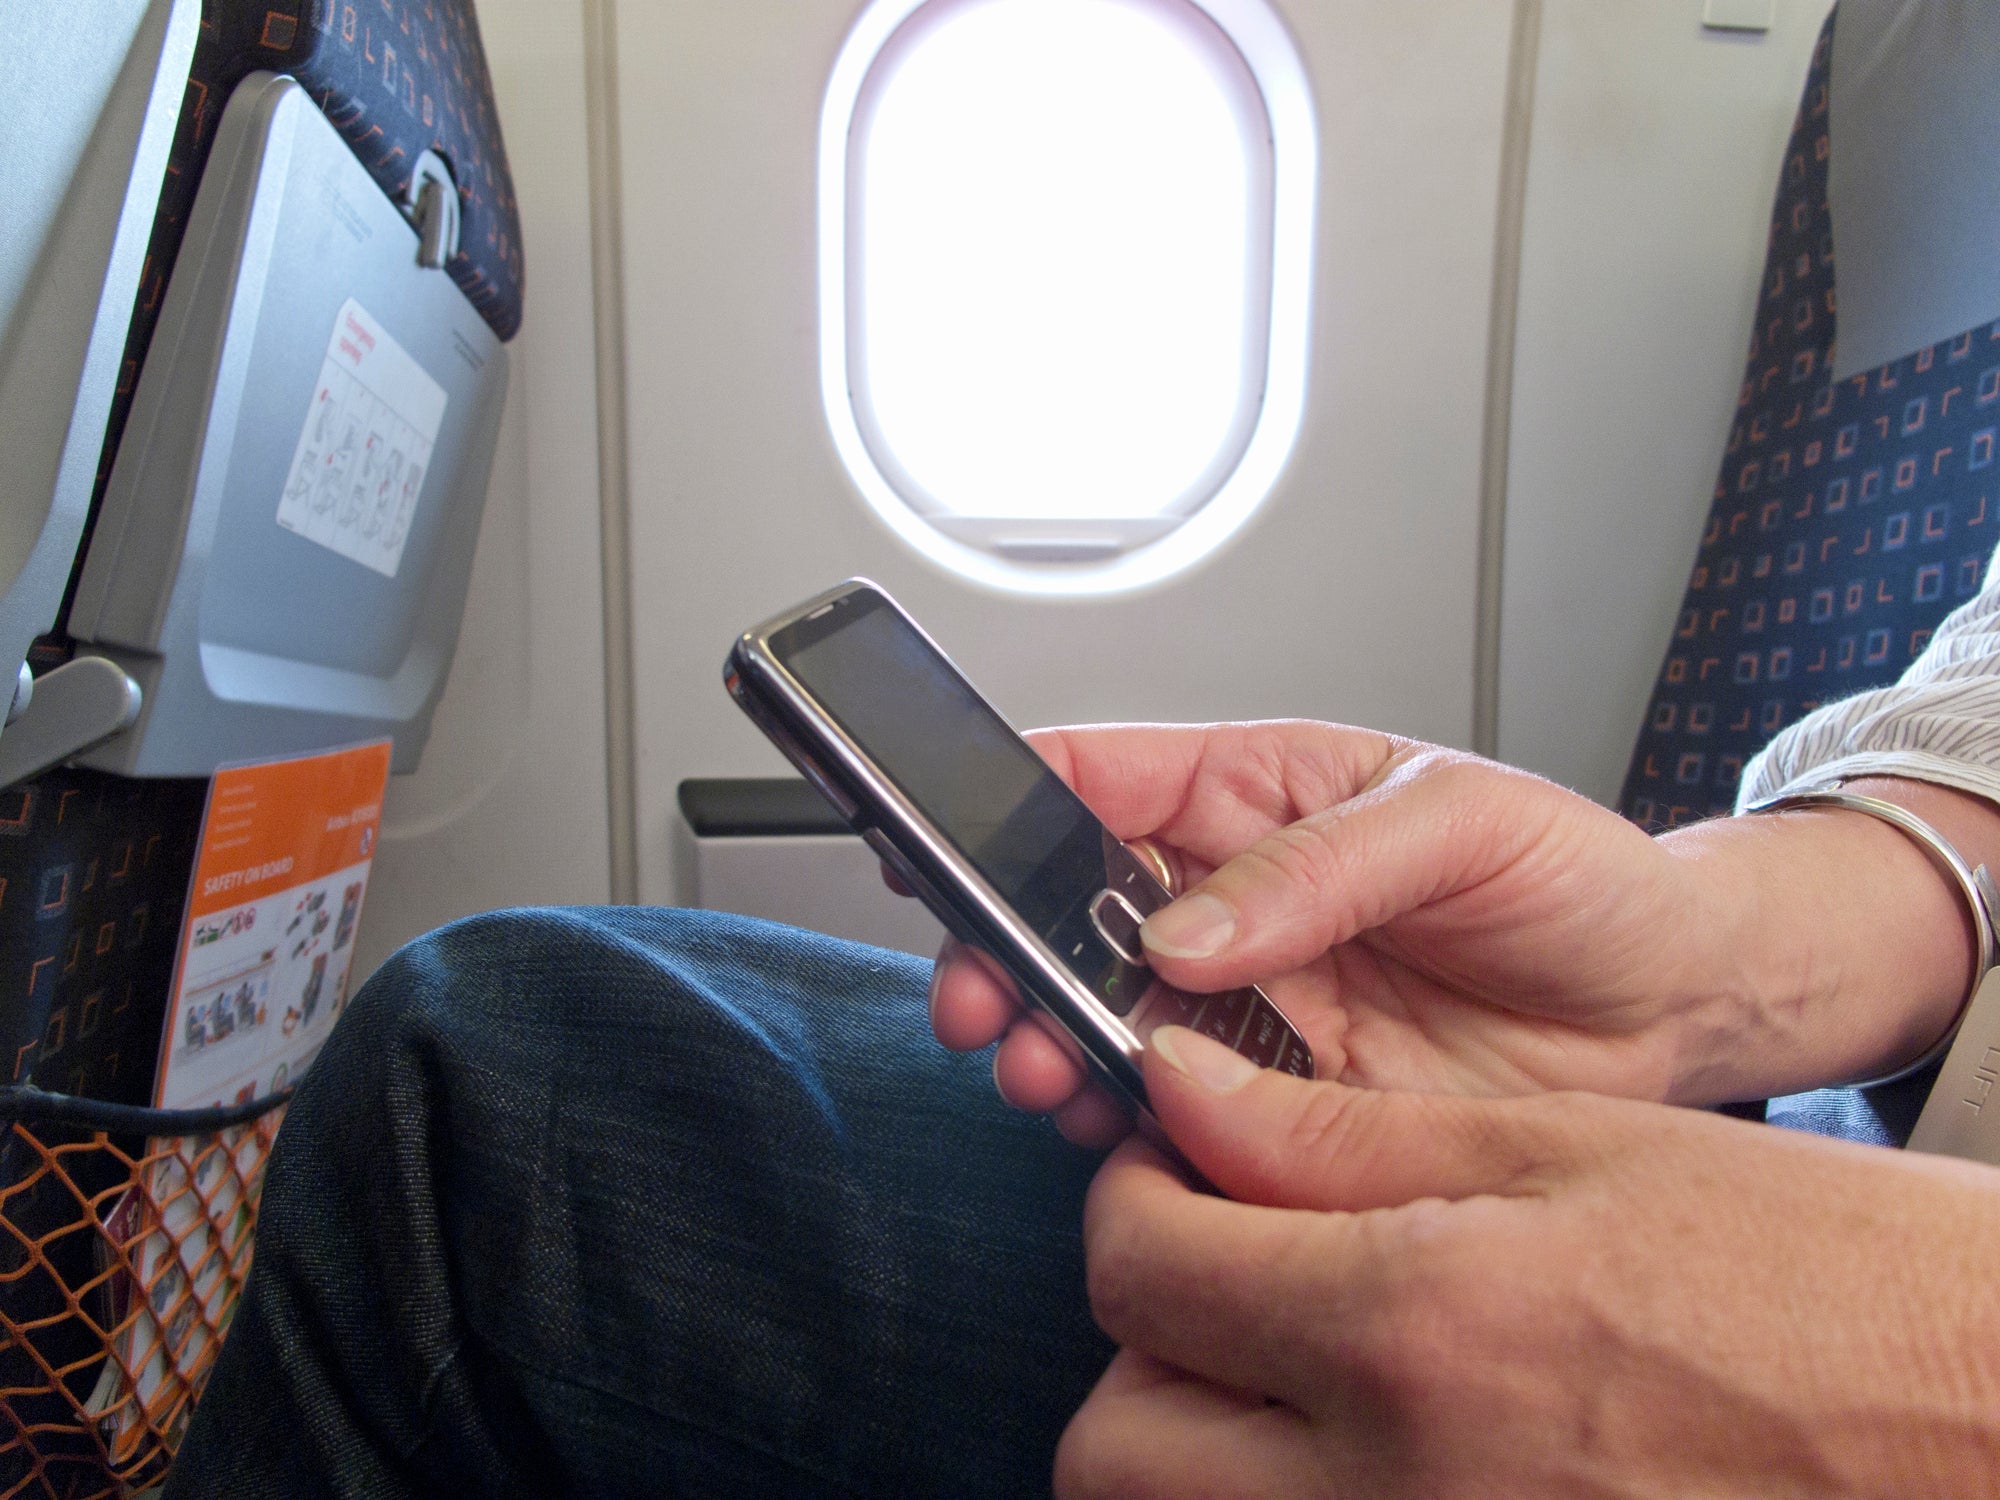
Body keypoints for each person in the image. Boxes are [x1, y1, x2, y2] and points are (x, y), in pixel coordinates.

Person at [158, 546, 2000, 1496]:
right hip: (1874, 1135)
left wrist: (1942, 1392)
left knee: (480, 1108)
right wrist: (1709, 965)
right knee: (505, 1059)